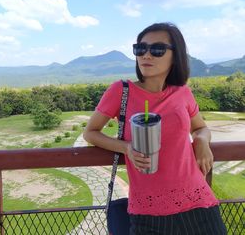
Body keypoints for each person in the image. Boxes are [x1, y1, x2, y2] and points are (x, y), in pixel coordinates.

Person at [83, 22, 227, 234]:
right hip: (148, 211)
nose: (146, 55)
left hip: (197, 200)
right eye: (140, 49)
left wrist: (202, 141)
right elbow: (90, 133)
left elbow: (201, 128)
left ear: (174, 56)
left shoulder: (182, 93)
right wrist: (127, 148)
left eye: (157, 49)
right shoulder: (121, 91)